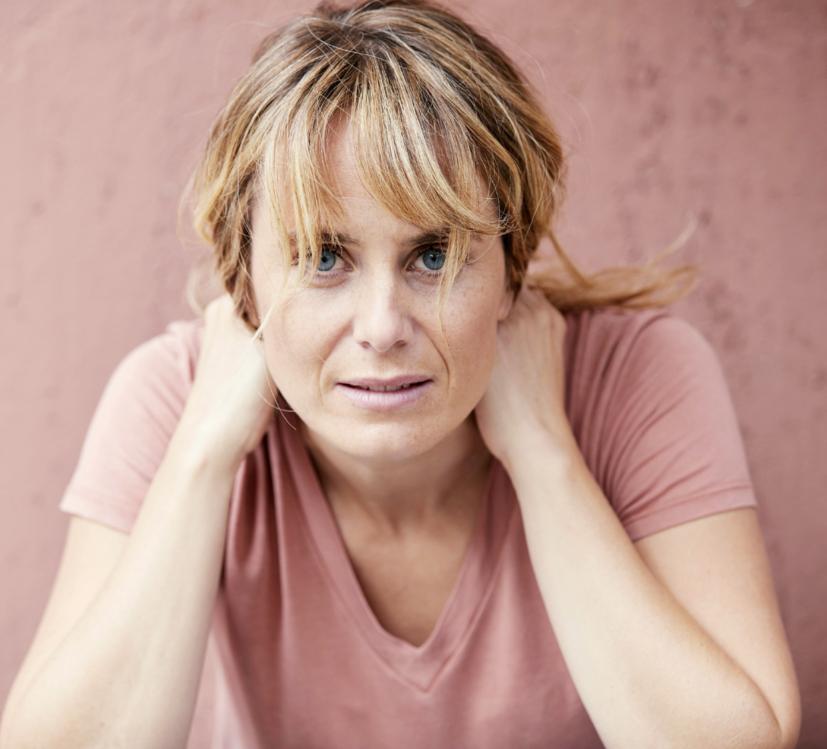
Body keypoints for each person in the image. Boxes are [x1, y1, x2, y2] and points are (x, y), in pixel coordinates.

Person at [0, 0, 801, 747]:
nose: (381, 327)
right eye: (323, 257)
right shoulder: (172, 398)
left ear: (510, 267)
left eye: (434, 255)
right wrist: (202, 457)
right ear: (245, 280)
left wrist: (542, 454)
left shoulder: (632, 376)